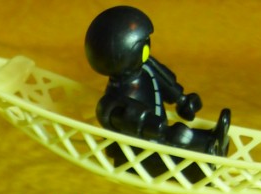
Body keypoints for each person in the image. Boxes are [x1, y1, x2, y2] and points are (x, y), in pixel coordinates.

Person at [85, 6, 230, 159]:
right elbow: (131, 119)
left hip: (157, 137)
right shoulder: (111, 102)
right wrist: (162, 130)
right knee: (180, 141)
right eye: (144, 44)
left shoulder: (146, 66)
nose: (148, 46)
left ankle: (211, 139)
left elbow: (164, 81)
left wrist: (181, 99)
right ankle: (208, 148)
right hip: (134, 153)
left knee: (181, 136)